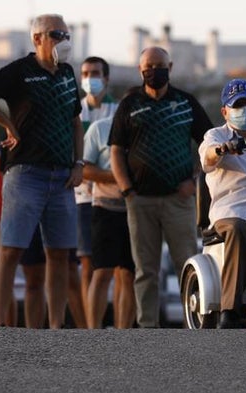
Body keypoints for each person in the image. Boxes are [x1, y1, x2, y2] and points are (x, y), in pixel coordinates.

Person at [0, 14, 83, 329]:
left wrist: (79, 163)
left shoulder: (67, 73)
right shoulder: (21, 70)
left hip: (61, 176)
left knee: (59, 255)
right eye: (57, 34)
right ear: (38, 38)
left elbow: (75, 121)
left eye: (66, 34)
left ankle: (57, 325)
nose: (64, 40)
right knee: (10, 251)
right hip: (26, 174)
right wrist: (6, 123)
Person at [109, 47, 212, 327]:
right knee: (146, 270)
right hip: (140, 200)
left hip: (178, 201)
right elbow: (116, 151)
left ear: (170, 66)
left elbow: (210, 143)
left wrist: (194, 180)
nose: (154, 71)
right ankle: (148, 329)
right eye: (149, 66)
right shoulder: (130, 104)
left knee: (188, 264)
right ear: (140, 70)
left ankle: (194, 321)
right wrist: (127, 190)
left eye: (160, 65)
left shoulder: (185, 102)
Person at [199, 80, 246, 329]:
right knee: (238, 230)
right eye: (236, 106)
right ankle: (230, 309)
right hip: (231, 212)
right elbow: (207, 156)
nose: (243, 110)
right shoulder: (216, 136)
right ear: (224, 112)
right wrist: (221, 150)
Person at [83, 107, 137, 329]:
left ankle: (124, 335)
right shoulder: (99, 128)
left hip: (135, 211)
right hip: (105, 208)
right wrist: (119, 177)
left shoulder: (143, 130)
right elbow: (85, 169)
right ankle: (93, 333)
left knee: (129, 275)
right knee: (102, 271)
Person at [72, 56, 115, 327]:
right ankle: (89, 327)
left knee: (114, 267)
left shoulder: (118, 110)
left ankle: (119, 324)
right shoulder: (74, 111)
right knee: (87, 263)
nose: (90, 78)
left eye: (96, 73)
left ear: (106, 78)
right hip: (81, 196)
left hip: (111, 197)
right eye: (86, 73)